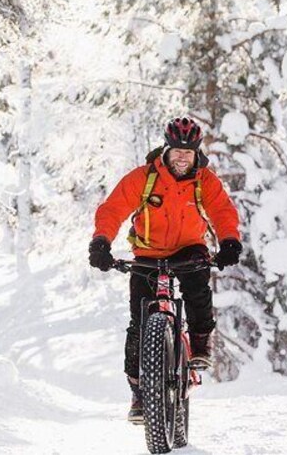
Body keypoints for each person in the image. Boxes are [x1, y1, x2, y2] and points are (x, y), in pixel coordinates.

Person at [88, 116, 242, 423]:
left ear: (197, 153)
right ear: (166, 150)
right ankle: (138, 393)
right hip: (147, 252)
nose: (183, 157)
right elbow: (114, 208)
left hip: (189, 249)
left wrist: (229, 241)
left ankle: (199, 344)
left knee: (197, 290)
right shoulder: (143, 178)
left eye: (189, 152)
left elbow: (222, 212)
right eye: (177, 151)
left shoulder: (205, 181)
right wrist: (101, 242)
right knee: (139, 325)